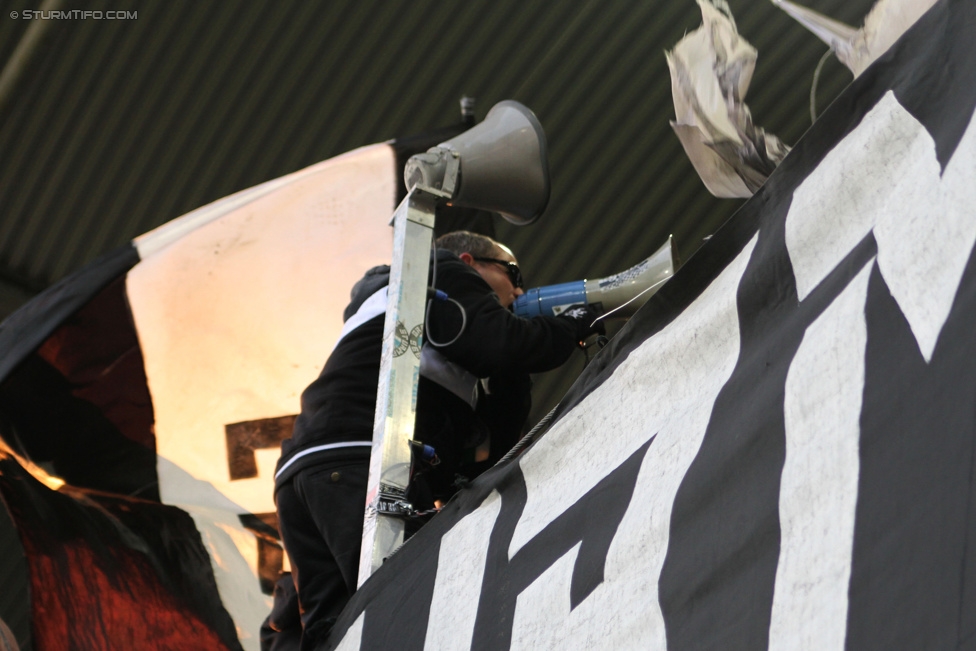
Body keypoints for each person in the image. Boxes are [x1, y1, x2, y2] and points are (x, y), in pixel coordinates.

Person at [270, 231, 602, 649]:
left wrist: (513, 374)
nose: (519, 289)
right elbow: (500, 344)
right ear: (470, 262)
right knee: (405, 609)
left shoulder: (408, 315)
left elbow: (492, 452)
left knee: (335, 631)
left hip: (305, 472)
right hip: (368, 462)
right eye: (512, 273)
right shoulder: (437, 271)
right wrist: (570, 324)